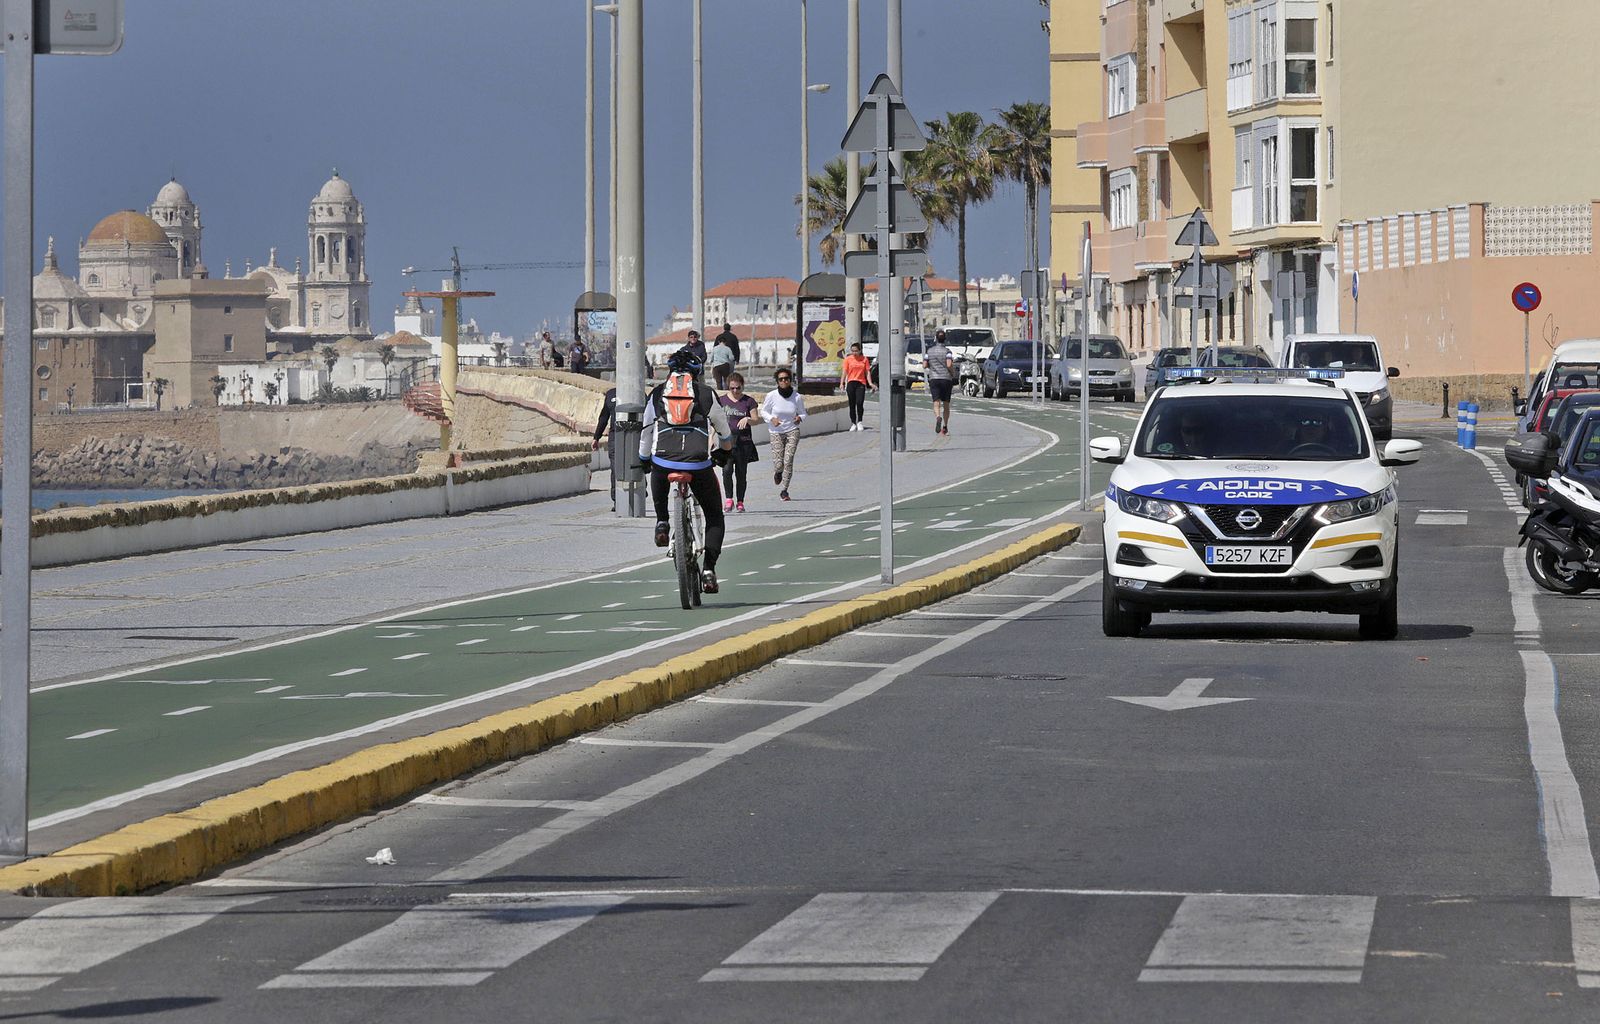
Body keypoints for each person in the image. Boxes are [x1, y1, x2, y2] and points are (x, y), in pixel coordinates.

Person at [639, 348, 734, 592]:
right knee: (714, 516)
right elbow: (724, 431)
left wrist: (643, 459)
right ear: (698, 373)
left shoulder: (658, 393)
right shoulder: (705, 393)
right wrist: (723, 451)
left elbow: (647, 430)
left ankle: (662, 523)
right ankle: (710, 571)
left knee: (658, 471)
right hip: (698, 462)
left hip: (663, 461)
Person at [761, 368, 806, 501]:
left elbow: (803, 412)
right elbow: (763, 411)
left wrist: (800, 418)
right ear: (777, 381)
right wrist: (772, 419)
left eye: (786, 378)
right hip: (776, 432)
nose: (784, 381)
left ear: (790, 380)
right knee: (779, 464)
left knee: (788, 460)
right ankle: (778, 472)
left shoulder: (796, 397)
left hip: (792, 430)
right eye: (781, 379)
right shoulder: (772, 396)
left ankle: (784, 490)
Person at [718, 372, 760, 512]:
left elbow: (756, 419)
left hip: (743, 441)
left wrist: (747, 419)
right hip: (727, 441)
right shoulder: (722, 401)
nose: (735, 391)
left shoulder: (749, 401)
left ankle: (740, 501)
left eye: (738, 388)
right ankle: (729, 499)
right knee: (726, 470)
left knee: (741, 473)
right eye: (732, 388)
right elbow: (715, 421)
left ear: (742, 386)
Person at [925, 329, 956, 436]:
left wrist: (932, 366)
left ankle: (938, 417)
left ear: (936, 338)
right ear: (944, 339)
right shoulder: (948, 351)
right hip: (946, 379)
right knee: (946, 404)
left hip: (934, 378)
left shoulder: (929, 351)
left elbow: (925, 365)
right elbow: (948, 364)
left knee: (936, 402)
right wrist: (952, 373)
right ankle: (945, 427)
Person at [838, 341, 875, 431]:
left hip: (861, 383)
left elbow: (867, 372)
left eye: (856, 351)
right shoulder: (848, 359)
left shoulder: (864, 359)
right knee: (852, 403)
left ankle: (860, 421)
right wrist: (842, 383)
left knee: (859, 402)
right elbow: (845, 372)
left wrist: (870, 383)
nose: (854, 353)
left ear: (860, 350)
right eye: (853, 351)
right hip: (851, 382)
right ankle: (853, 422)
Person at [592, 385, 618, 511]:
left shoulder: (638, 393)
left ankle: (640, 488)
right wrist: (596, 437)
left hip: (635, 435)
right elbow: (604, 417)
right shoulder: (611, 394)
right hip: (615, 436)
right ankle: (617, 500)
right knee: (615, 468)